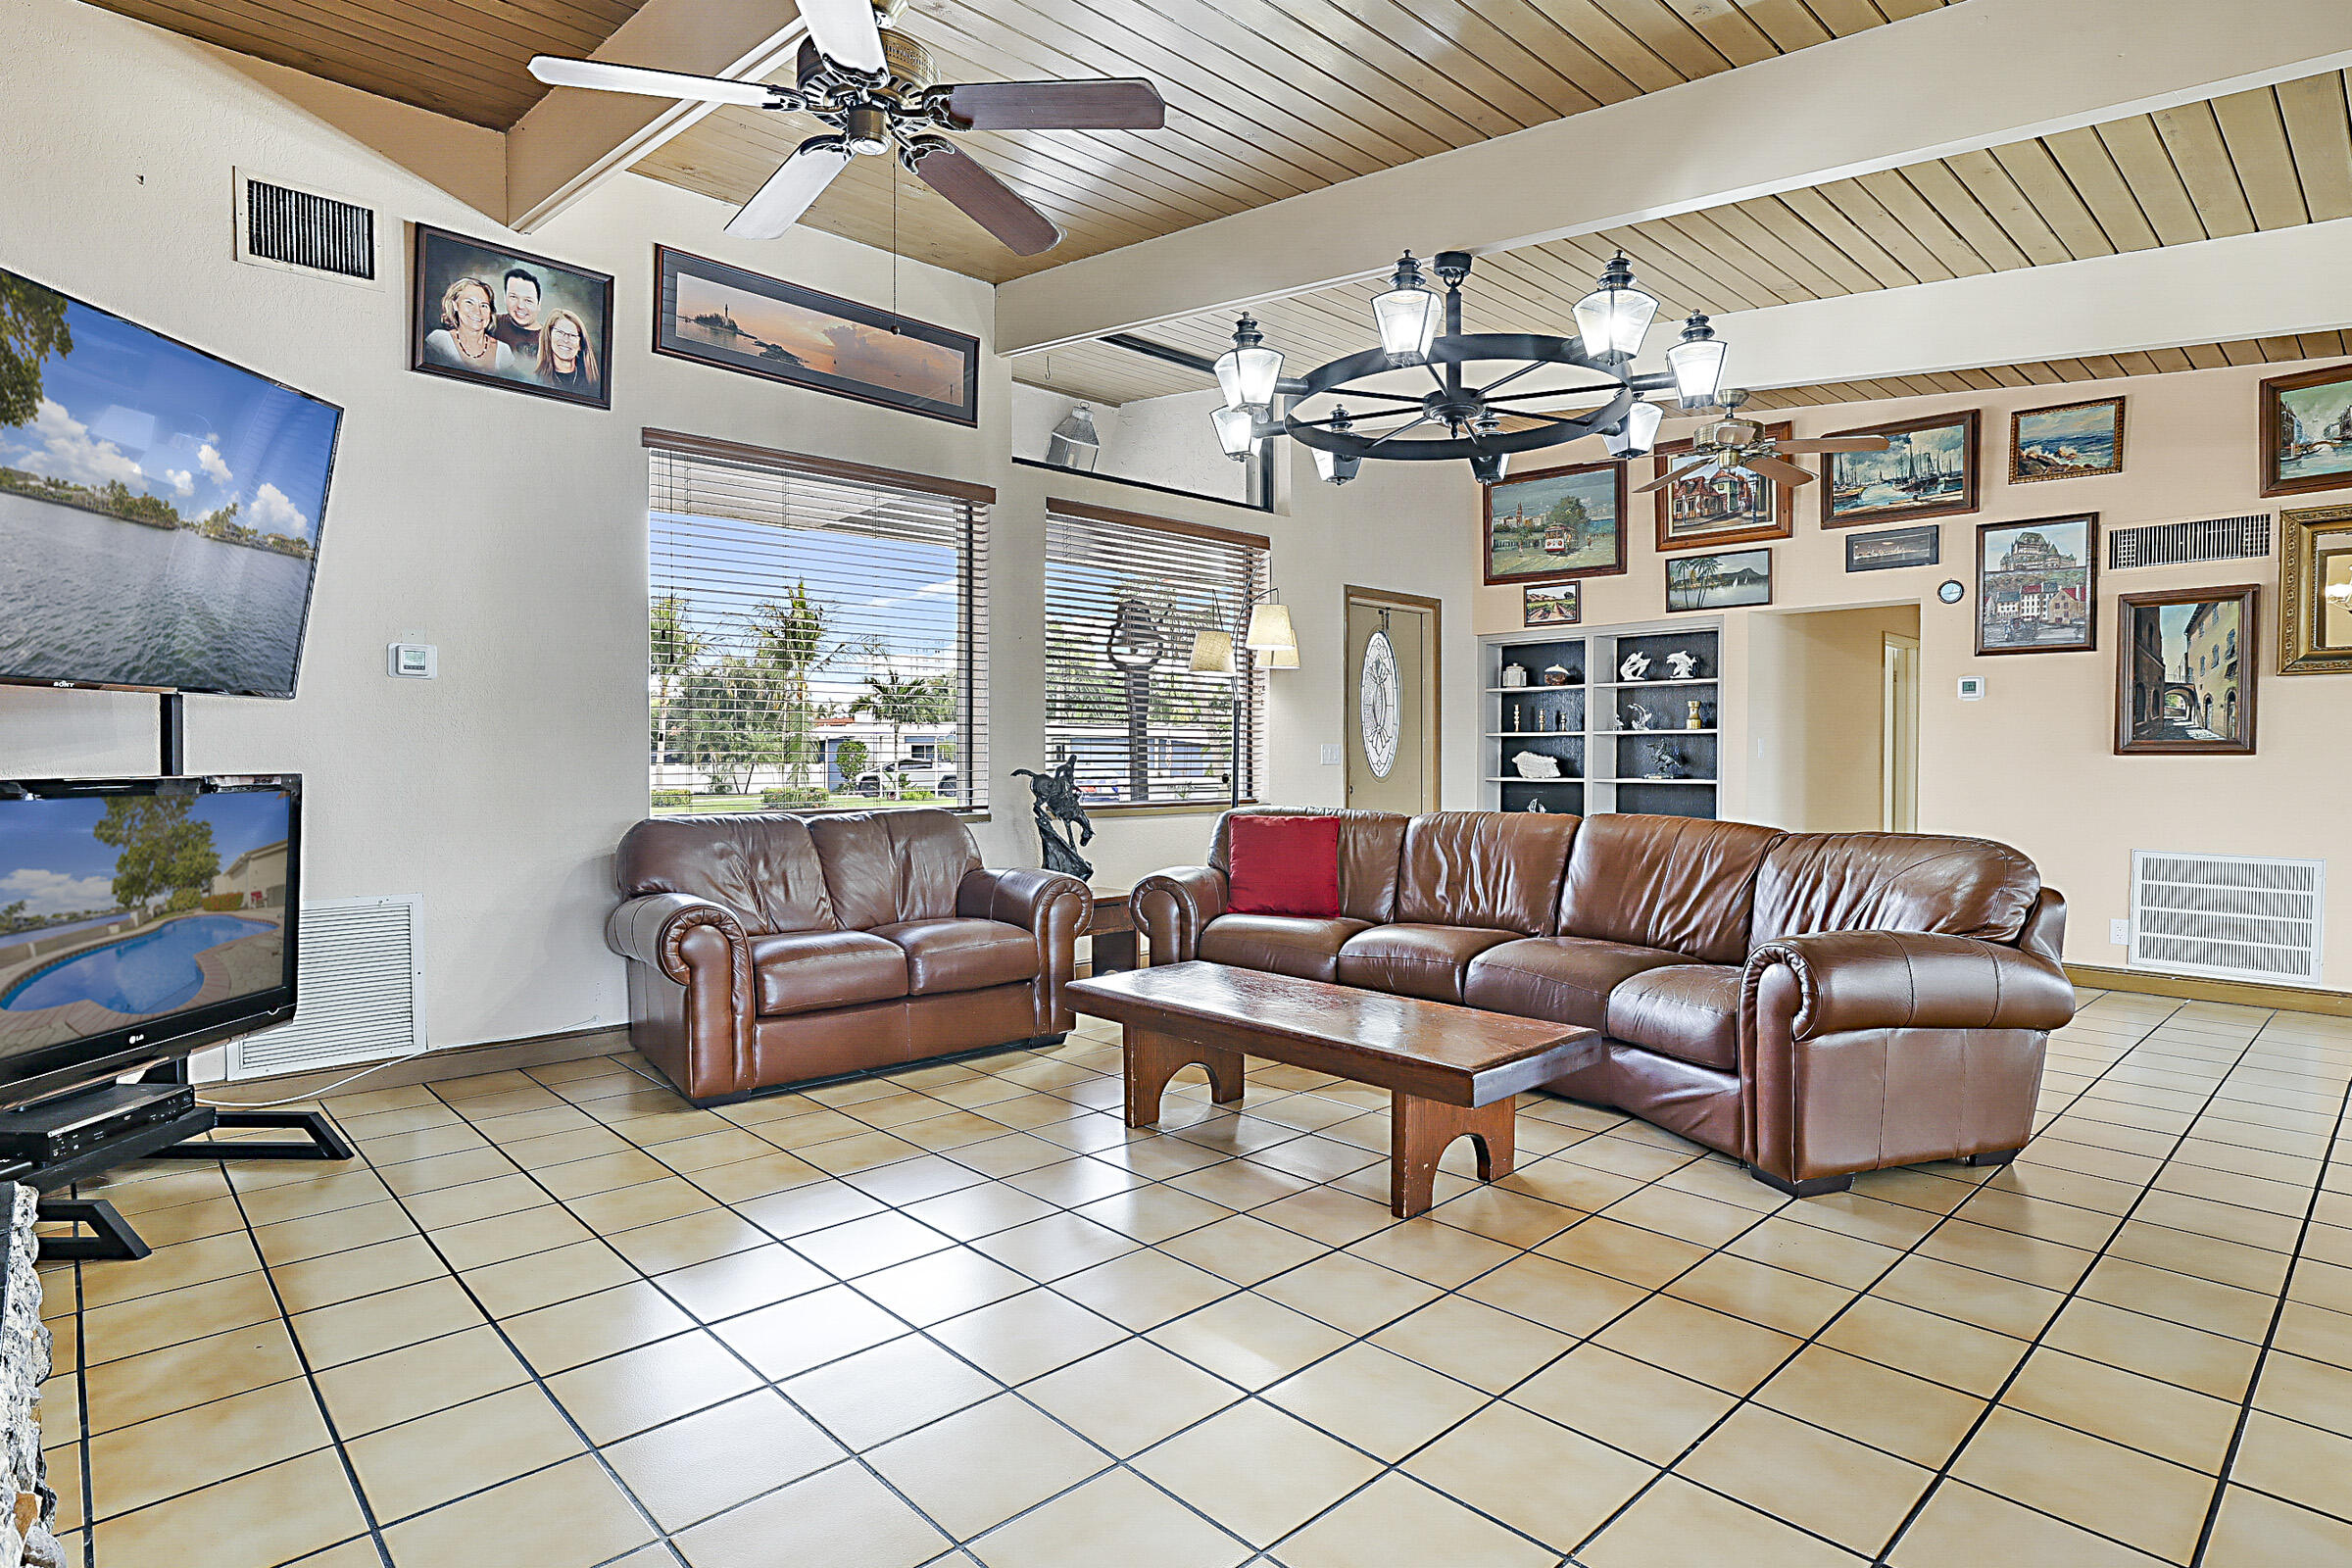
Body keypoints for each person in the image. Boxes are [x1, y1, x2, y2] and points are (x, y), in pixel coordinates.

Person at [420, 276, 512, 376]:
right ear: (455, 305)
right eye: (469, 302)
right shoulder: (438, 341)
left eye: (484, 305)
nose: (477, 311)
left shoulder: (504, 351)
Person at [535, 309, 602, 398]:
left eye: (573, 335)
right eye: (560, 332)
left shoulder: (594, 382)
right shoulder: (534, 378)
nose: (566, 340)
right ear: (549, 336)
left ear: (580, 344)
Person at [493, 267, 543, 374]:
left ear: (538, 305)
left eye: (528, 300)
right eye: (513, 297)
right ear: (505, 298)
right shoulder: (491, 323)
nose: (520, 306)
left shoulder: (551, 338)